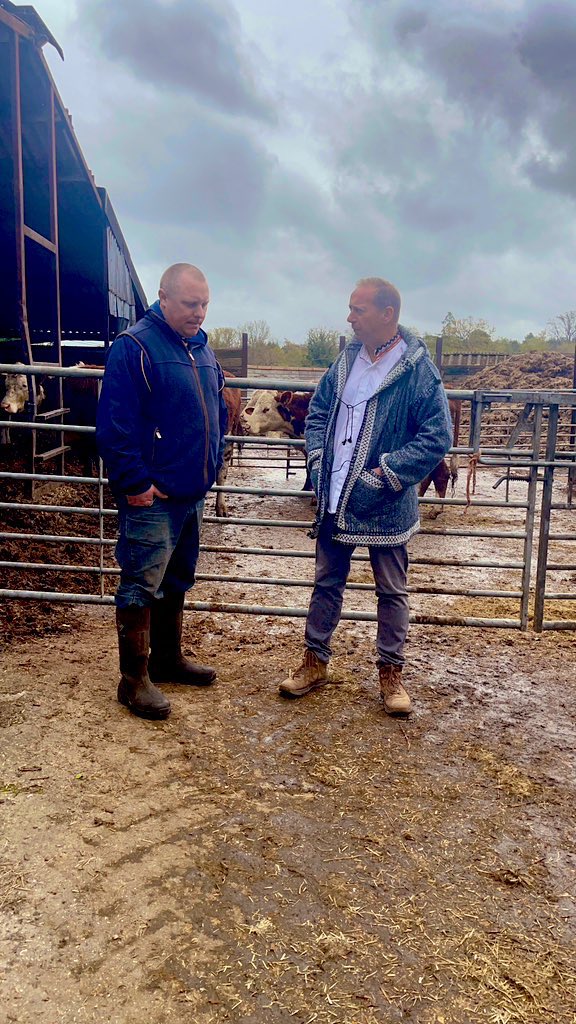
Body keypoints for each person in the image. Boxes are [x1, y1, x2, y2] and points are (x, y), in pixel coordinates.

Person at [279, 278, 453, 715]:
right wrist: (318, 458)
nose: (350, 317)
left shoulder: (418, 372)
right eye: (350, 309)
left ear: (387, 314)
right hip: (335, 495)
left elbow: (437, 436)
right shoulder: (345, 362)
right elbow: (318, 413)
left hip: (385, 503)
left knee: (391, 590)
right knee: (326, 583)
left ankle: (391, 675)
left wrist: (386, 474)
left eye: (358, 310)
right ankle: (314, 662)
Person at [96, 263, 228, 721]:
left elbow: (217, 410)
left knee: (177, 578)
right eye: (191, 304)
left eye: (205, 304)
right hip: (153, 498)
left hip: (191, 492)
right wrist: (135, 484)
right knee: (140, 582)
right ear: (163, 298)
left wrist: (215, 460)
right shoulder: (134, 347)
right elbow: (115, 427)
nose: (199, 313)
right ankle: (133, 680)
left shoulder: (201, 350)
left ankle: (168, 660)